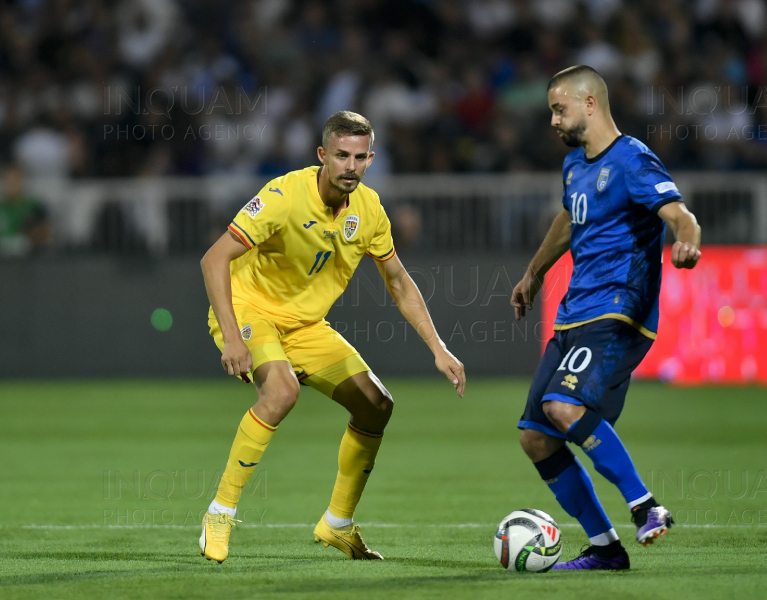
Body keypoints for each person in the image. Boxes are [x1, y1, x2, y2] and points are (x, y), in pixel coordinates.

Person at [199, 111, 465, 563]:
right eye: (341, 155)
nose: (350, 166)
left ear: (370, 159)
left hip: (305, 326)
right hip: (251, 311)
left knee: (377, 404)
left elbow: (399, 281)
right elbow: (213, 259)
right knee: (281, 393)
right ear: (323, 155)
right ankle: (219, 513)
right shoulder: (284, 196)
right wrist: (232, 336)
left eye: (360, 158)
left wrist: (438, 347)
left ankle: (337, 524)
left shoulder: (370, 210)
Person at [511, 66, 701, 571]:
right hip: (575, 313)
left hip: (619, 310)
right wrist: (533, 272)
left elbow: (681, 213)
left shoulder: (633, 160)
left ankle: (645, 505)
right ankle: (604, 548)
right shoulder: (576, 165)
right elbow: (569, 219)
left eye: (559, 108)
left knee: (563, 406)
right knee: (535, 436)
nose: (553, 120)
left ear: (590, 104)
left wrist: (687, 241)